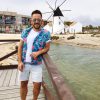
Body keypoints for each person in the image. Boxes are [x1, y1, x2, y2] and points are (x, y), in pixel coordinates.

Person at [18, 10, 51, 100]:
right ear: (31, 21)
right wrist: (19, 61)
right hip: (24, 63)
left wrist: (38, 53)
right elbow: (20, 47)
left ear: (41, 21)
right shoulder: (25, 31)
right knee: (23, 84)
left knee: (37, 86)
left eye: (38, 20)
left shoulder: (46, 33)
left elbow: (47, 48)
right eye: (34, 19)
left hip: (37, 64)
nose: (36, 21)